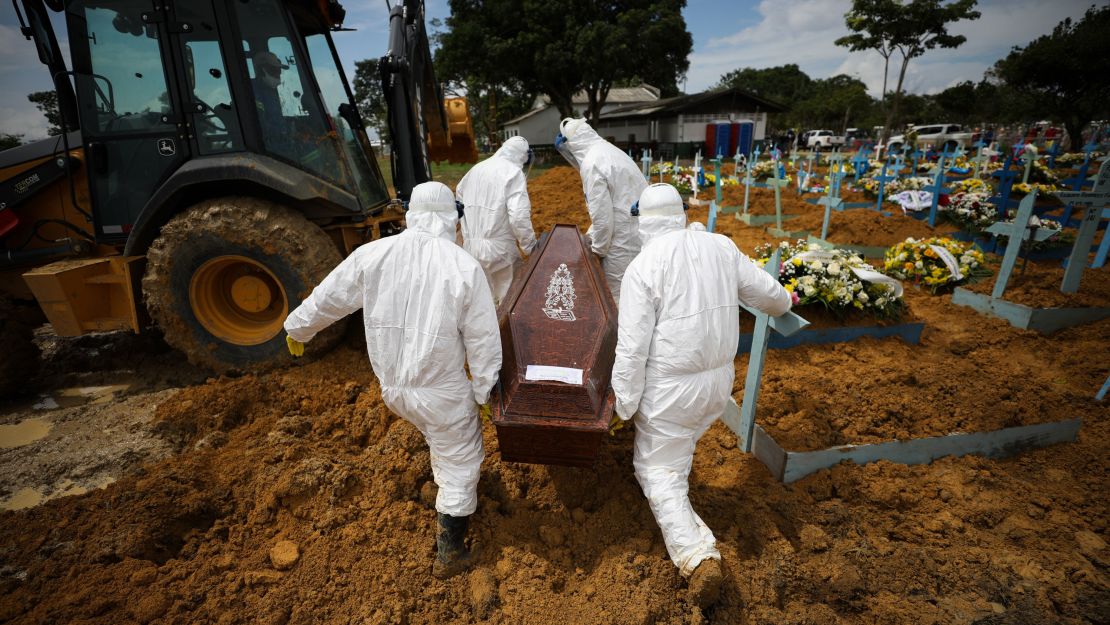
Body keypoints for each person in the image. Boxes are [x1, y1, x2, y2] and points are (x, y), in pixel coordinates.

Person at [283, 181, 501, 579]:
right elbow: (484, 339)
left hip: (391, 389)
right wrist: (487, 392)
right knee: (461, 459)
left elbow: (328, 297)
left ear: (411, 212)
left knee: (433, 433)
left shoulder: (373, 254)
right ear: (451, 217)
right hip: (441, 392)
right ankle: (451, 552)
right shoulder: (462, 265)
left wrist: (296, 329)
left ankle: (445, 491)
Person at [610, 183, 792, 608]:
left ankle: (696, 557)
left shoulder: (643, 267)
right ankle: (685, 500)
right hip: (716, 386)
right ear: (681, 212)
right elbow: (768, 294)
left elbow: (631, 348)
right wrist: (787, 302)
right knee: (681, 448)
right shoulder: (720, 246)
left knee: (655, 469)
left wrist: (622, 405)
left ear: (643, 221)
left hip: (671, 390)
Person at [554, 117, 647, 304]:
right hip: (637, 232)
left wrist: (596, 251)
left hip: (621, 242)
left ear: (573, 144)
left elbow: (603, 219)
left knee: (618, 298)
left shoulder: (592, 163)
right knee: (637, 293)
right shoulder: (610, 151)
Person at [455, 136, 538, 304]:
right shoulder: (513, 173)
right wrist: (530, 248)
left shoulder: (475, 170)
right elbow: (518, 216)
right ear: (522, 155)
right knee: (510, 302)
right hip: (500, 250)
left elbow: (460, 204)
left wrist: (467, 237)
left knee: (483, 304)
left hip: (471, 248)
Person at [251, 51, 288, 134]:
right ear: (261, 70)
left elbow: (276, 117)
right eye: (274, 71)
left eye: (279, 71)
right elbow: (260, 123)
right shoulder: (252, 91)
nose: (278, 76)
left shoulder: (271, 91)